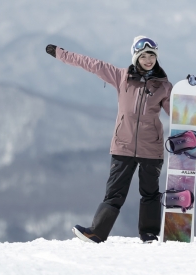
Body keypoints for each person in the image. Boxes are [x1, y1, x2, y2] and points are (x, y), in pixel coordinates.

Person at [45, 36, 172, 243]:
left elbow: (176, 114)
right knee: (114, 193)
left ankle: (149, 234)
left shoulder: (164, 86)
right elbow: (91, 64)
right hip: (123, 146)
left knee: (150, 192)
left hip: (151, 148)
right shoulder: (121, 77)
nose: (148, 60)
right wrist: (61, 54)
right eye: (144, 56)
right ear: (136, 57)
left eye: (152, 56)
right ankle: (97, 232)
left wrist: (188, 96)